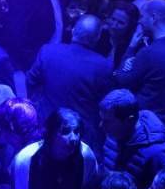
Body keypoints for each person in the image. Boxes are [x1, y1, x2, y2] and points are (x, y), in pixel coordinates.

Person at [27, 13, 115, 150]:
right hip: (80, 136)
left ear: (73, 30)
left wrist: (39, 103)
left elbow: (30, 80)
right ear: (97, 38)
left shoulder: (48, 51)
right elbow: (107, 103)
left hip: (47, 126)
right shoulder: (104, 66)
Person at [13, 108, 100, 189]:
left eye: (76, 131)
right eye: (65, 132)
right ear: (50, 134)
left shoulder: (86, 156)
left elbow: (88, 188)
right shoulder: (28, 158)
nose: (74, 138)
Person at [116, 0, 165, 127]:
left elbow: (121, 80)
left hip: (143, 122)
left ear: (153, 18)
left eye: (142, 17)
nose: (139, 21)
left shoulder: (149, 53)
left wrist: (130, 50)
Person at [96, 88, 165, 189]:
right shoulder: (115, 135)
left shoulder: (159, 155)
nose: (101, 125)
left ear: (130, 120)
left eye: (108, 121)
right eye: (102, 119)